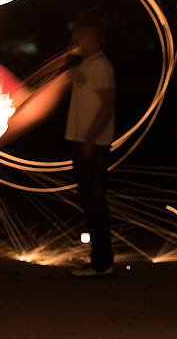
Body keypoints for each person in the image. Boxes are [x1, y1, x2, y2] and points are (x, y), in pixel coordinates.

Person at [65, 15, 116, 278]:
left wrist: (88, 139)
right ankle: (98, 259)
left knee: (95, 202)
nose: (78, 41)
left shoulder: (100, 66)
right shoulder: (86, 64)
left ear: (98, 40)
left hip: (93, 144)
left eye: (84, 37)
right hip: (82, 142)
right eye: (78, 37)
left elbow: (107, 106)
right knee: (88, 201)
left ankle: (102, 262)